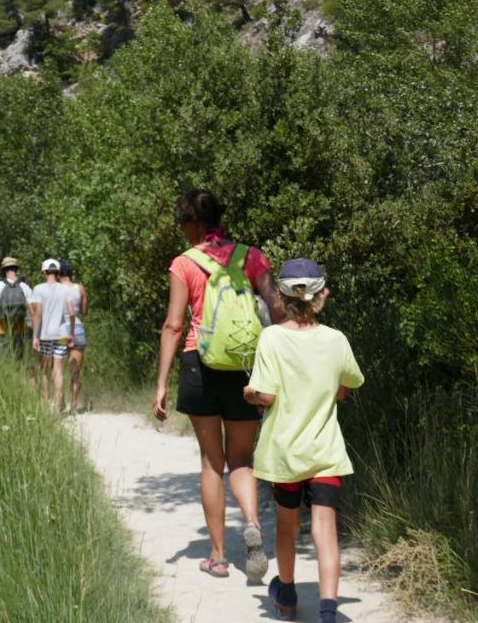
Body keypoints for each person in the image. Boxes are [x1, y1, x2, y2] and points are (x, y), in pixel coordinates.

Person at [153, 188, 282, 581]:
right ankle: (252, 524)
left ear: (194, 223)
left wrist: (160, 383)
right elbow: (276, 308)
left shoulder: (184, 264)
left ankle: (219, 557)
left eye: (182, 223)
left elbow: (175, 325)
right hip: (246, 366)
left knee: (212, 462)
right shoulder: (252, 256)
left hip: (200, 363)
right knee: (242, 458)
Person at [244, 259, 364, 623]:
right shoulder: (336, 339)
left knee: (287, 522)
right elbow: (344, 389)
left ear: (280, 295)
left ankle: (287, 596)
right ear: (319, 295)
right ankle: (329, 611)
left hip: (286, 453)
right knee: (325, 529)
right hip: (325, 452)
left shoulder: (272, 337)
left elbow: (265, 395)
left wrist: (249, 392)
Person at [31, 258, 75, 412]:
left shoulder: (38, 289)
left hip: (45, 335)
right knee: (59, 370)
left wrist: (35, 336)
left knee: (45, 370)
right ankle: (58, 407)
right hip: (62, 334)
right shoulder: (65, 289)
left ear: (44, 271)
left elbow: (37, 314)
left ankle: (44, 404)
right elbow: (71, 313)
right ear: (58, 272)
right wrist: (71, 334)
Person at [58, 261, 89, 413]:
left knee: (59, 369)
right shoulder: (80, 288)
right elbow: (84, 311)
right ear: (71, 274)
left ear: (58, 275)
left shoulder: (55, 289)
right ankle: (73, 406)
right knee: (75, 371)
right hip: (77, 329)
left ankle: (60, 401)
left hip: (60, 331)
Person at [0, 257, 33, 360]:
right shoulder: (24, 286)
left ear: (4, 270)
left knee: (4, 357)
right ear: (16, 269)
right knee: (18, 356)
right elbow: (33, 311)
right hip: (20, 327)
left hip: (1, 328)